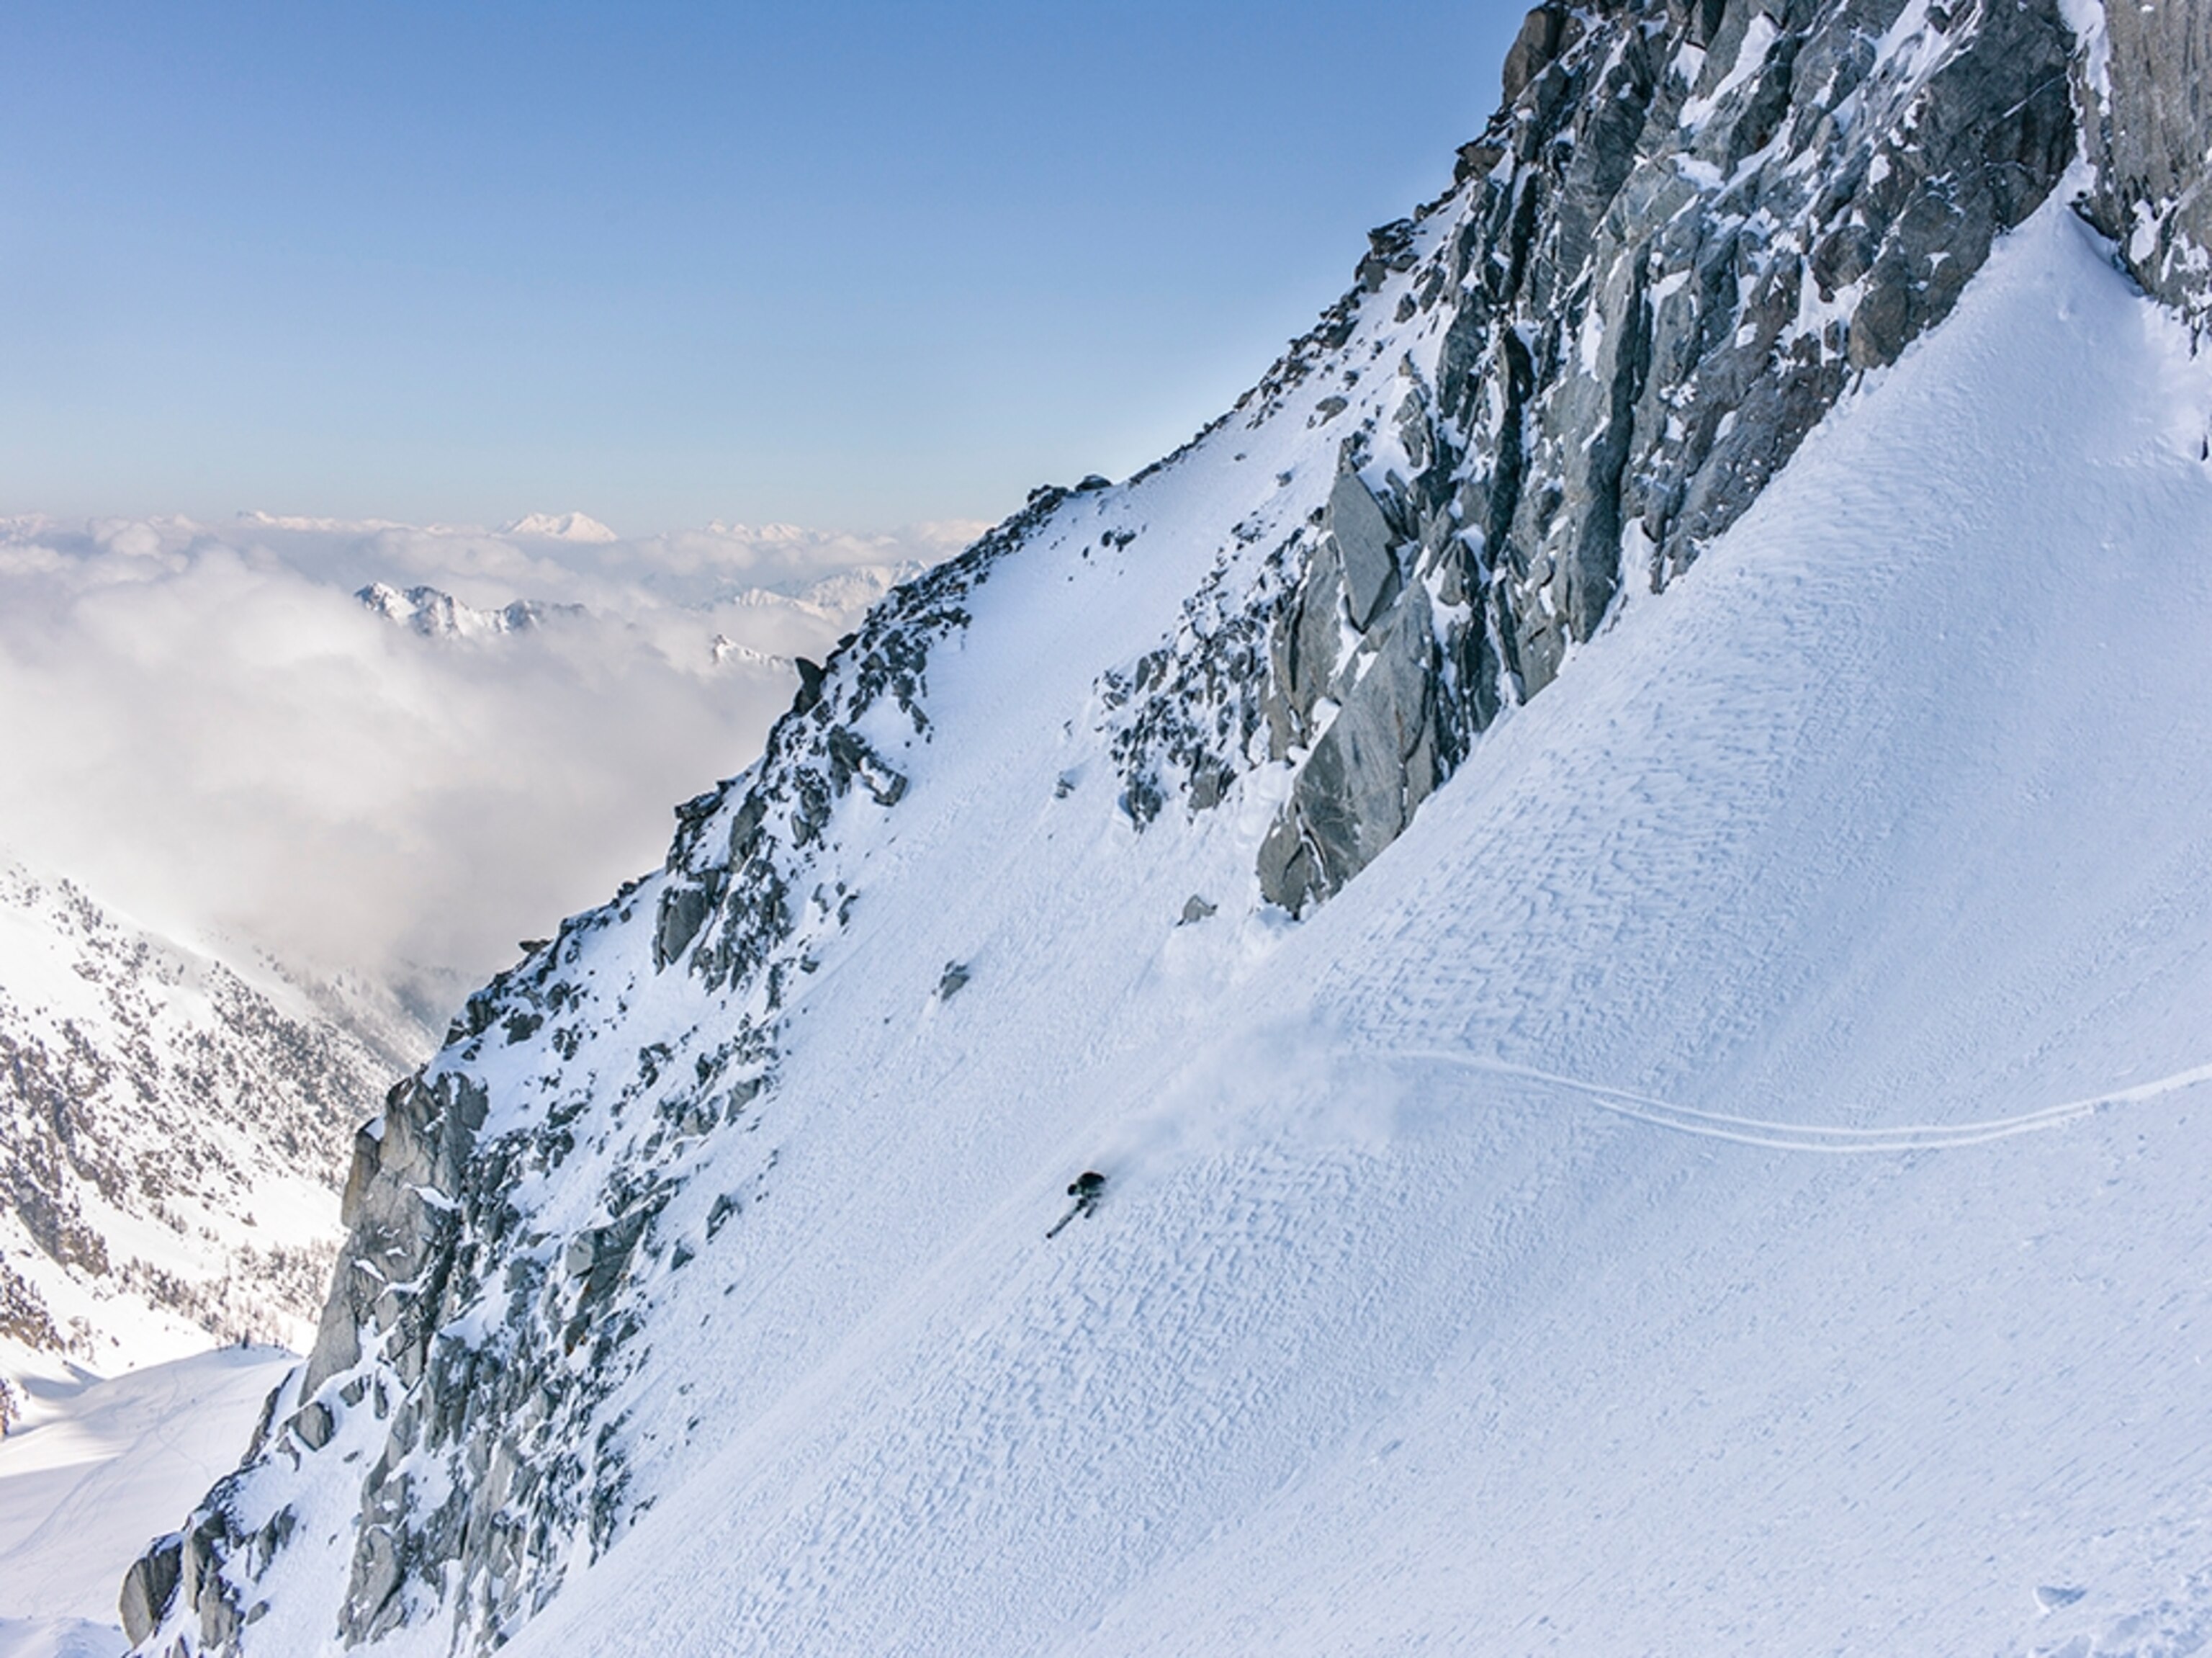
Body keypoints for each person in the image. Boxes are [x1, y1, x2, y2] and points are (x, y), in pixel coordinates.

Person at [1047, 1170, 1107, 1238]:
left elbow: (1099, 1190)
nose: (1077, 1194)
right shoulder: (1082, 1186)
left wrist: (1091, 1201)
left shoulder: (1086, 1188)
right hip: (1094, 1184)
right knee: (1082, 1202)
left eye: (1076, 1192)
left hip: (1099, 1184)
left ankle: (1092, 1203)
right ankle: (1063, 1221)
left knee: (1086, 1200)